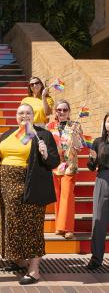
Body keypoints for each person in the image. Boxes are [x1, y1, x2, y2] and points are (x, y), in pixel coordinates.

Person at [0, 103, 59, 285]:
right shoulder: (8, 134)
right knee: (11, 224)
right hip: (6, 187)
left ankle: (34, 270)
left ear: (34, 115)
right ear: (16, 116)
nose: (24, 116)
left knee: (32, 226)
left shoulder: (42, 134)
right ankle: (19, 259)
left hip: (30, 186)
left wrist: (45, 154)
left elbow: (53, 161)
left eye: (28, 113)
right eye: (20, 113)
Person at [47, 100, 83, 240]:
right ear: (56, 111)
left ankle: (68, 228)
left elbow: (80, 147)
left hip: (70, 166)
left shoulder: (75, 125)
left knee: (67, 196)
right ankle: (59, 226)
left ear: (69, 112)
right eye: (59, 110)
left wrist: (74, 136)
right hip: (55, 166)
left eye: (65, 110)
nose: (62, 112)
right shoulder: (50, 126)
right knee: (57, 196)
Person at [86, 113, 109, 270]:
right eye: (108, 121)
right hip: (103, 179)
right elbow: (91, 166)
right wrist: (92, 159)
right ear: (105, 123)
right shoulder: (98, 142)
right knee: (99, 220)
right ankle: (96, 258)